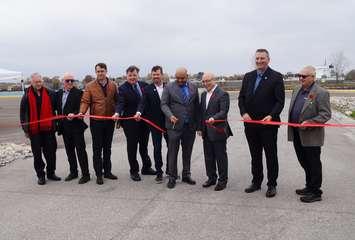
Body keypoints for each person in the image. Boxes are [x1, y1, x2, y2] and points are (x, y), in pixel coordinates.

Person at [238, 49, 285, 197]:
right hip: (250, 125)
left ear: (268, 60)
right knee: (255, 155)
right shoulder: (248, 77)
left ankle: (272, 184)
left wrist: (271, 115)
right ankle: (256, 182)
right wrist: (244, 113)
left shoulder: (276, 77)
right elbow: (241, 98)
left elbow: (280, 101)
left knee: (271, 155)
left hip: (268, 125)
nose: (259, 61)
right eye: (257, 58)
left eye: (262, 58)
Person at [288, 66, 331, 203]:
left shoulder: (321, 92)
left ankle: (316, 192)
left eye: (304, 76)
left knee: (313, 163)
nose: (300, 78)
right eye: (299, 75)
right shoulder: (297, 90)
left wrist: (311, 122)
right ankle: (309, 186)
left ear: (313, 77)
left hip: (311, 136)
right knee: (304, 161)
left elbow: (326, 114)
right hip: (296, 133)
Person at [113, 65, 155, 182]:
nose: (132, 77)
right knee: (132, 147)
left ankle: (146, 167)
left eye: (134, 75)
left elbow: (147, 101)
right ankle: (134, 171)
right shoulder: (122, 88)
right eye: (130, 75)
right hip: (130, 123)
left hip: (144, 121)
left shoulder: (143, 86)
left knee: (144, 145)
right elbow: (120, 103)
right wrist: (117, 112)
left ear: (138, 75)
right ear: (127, 76)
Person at [161, 67, 200, 189]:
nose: (180, 80)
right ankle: (172, 177)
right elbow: (163, 104)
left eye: (182, 78)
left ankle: (186, 175)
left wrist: (198, 126)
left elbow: (197, 107)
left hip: (190, 127)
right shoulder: (169, 87)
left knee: (187, 152)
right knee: (173, 152)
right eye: (177, 78)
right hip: (174, 126)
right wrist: (170, 115)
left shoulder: (194, 87)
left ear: (187, 76)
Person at [79, 63, 118, 185]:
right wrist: (81, 112)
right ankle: (99, 174)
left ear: (106, 71)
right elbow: (85, 101)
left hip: (109, 121)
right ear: (95, 72)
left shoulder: (113, 85)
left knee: (107, 148)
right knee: (97, 149)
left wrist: (118, 115)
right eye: (98, 71)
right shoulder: (90, 86)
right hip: (96, 122)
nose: (100, 73)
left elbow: (117, 101)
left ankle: (107, 171)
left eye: (102, 71)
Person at [20, 73, 61, 185]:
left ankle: (51, 172)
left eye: (40, 81)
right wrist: (26, 130)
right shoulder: (27, 95)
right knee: (37, 154)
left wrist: (56, 124)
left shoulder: (50, 93)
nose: (38, 84)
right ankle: (40, 175)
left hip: (48, 129)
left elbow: (57, 110)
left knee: (51, 153)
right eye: (36, 82)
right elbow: (23, 114)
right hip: (34, 131)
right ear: (31, 82)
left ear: (42, 81)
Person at [198, 73, 233, 191]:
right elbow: (202, 113)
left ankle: (222, 180)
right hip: (206, 131)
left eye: (207, 81)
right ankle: (211, 177)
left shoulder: (222, 94)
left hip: (218, 130)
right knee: (208, 156)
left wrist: (214, 118)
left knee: (220, 156)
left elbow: (223, 111)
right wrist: (200, 128)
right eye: (203, 81)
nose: (205, 83)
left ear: (214, 80)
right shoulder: (203, 95)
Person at [56, 73, 90, 184]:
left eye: (72, 80)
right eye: (67, 81)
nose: (70, 82)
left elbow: (82, 108)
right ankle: (73, 172)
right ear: (63, 82)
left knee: (80, 151)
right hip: (64, 128)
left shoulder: (79, 93)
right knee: (69, 151)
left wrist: (75, 114)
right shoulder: (58, 93)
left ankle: (86, 175)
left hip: (76, 127)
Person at [137, 65, 169, 183]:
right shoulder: (148, 89)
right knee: (157, 148)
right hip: (154, 124)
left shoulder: (168, 87)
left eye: (157, 74)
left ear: (162, 74)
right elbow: (142, 103)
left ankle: (170, 170)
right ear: (151, 75)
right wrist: (139, 112)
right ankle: (159, 172)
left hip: (168, 123)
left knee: (171, 147)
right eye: (153, 74)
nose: (155, 76)